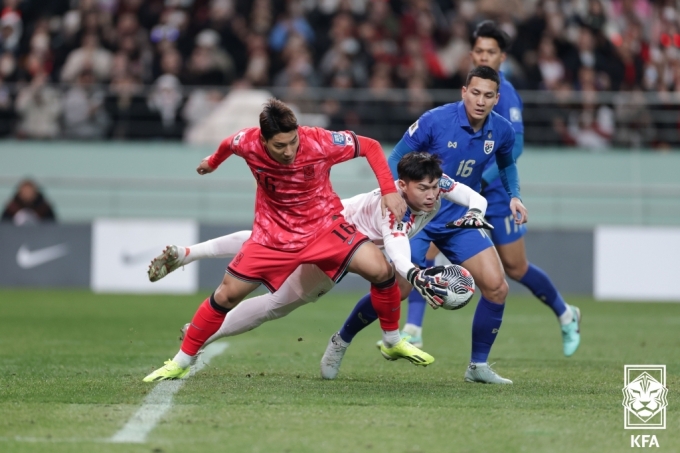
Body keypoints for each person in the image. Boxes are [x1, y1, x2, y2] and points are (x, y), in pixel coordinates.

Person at [143, 98, 431, 382]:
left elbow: (369, 145)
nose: (290, 150)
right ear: (263, 141)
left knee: (382, 270)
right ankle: (181, 361)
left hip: (324, 228)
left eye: (293, 141)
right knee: (226, 295)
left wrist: (388, 190)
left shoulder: (318, 141)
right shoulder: (248, 142)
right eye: (280, 146)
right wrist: (212, 162)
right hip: (273, 235)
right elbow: (229, 143)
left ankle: (392, 340)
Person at [147, 153, 492, 376]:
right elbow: (397, 250)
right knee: (275, 305)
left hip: (324, 219)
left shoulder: (434, 185)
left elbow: (471, 196)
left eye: (435, 188)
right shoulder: (396, 209)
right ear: (401, 186)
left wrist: (477, 212)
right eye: (424, 189)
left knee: (263, 238)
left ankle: (189, 254)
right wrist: (416, 274)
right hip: (336, 245)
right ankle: (204, 333)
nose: (432, 195)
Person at [321, 66, 527, 384]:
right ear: (463, 91)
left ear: (496, 98)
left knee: (497, 287)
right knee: (397, 289)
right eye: (475, 93)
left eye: (488, 95)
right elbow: (395, 158)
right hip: (417, 218)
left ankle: (477, 367)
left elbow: (506, 163)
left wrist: (514, 196)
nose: (481, 101)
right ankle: (341, 341)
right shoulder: (435, 120)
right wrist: (393, 196)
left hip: (457, 220)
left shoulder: (501, 130)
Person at [402, 21, 581, 358]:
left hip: (494, 192)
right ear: (472, 55)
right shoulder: (471, 92)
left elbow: (514, 150)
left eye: (492, 52)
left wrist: (478, 181)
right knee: (424, 251)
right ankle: (413, 328)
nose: (485, 56)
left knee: (515, 268)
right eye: (480, 51)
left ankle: (567, 314)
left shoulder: (506, 95)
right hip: (460, 193)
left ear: (503, 57)